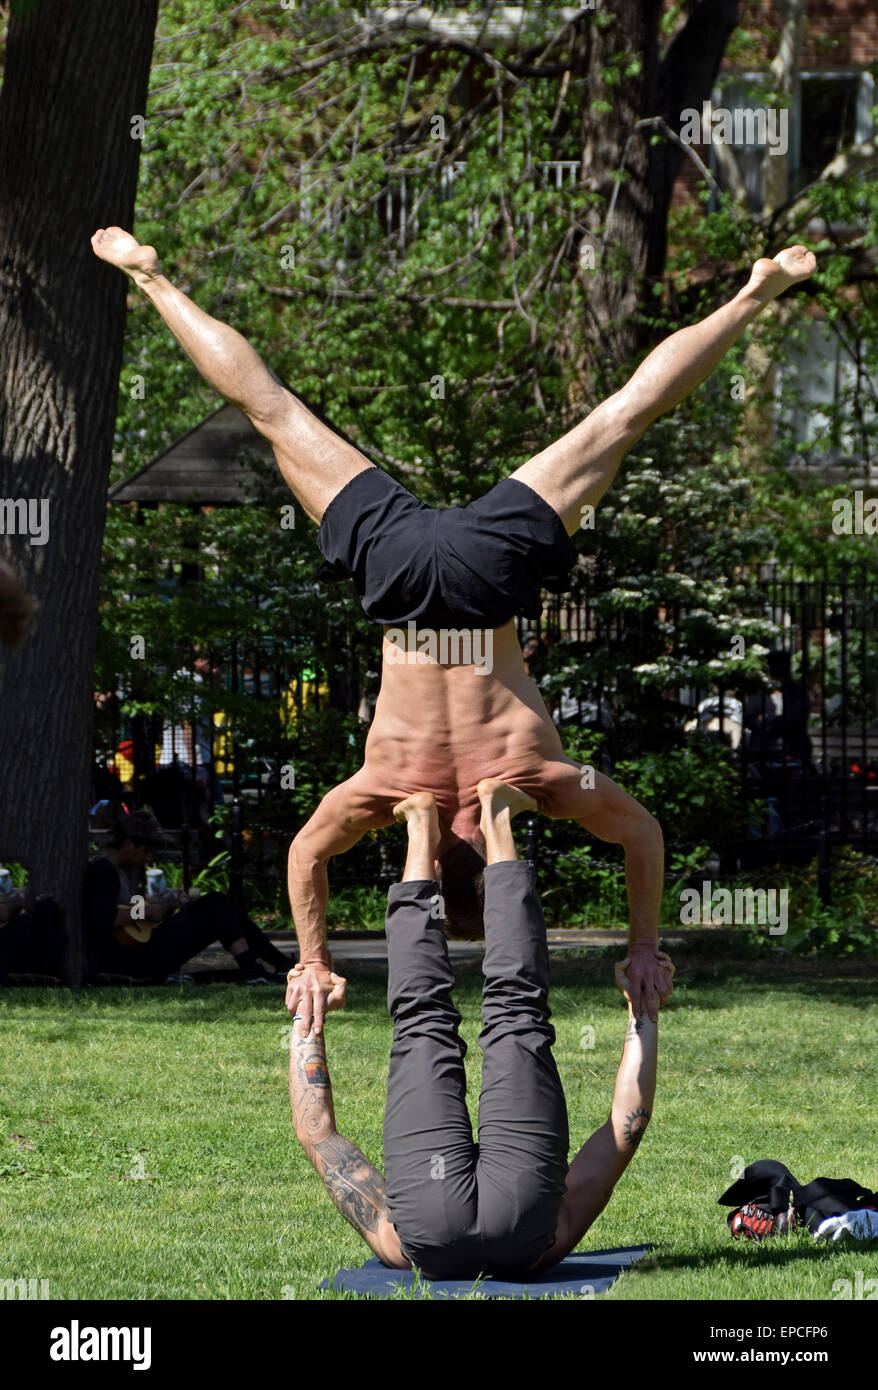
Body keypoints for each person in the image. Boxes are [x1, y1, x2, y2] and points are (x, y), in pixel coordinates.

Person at [90, 227, 816, 1027]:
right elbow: (306, 853)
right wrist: (312, 962)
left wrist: (645, 946)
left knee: (624, 416)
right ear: (436, 867)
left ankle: (752, 295)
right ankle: (150, 280)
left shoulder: (542, 784)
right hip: (399, 575)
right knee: (268, 407)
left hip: (484, 576)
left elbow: (641, 834)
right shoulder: (386, 794)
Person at [287, 783, 673, 1277]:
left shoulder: (547, 1243)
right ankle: (422, 828)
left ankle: (497, 819)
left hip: (521, 1229)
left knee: (518, 1014)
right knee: (421, 1023)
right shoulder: (395, 1246)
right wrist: (306, 1021)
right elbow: (317, 1135)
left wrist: (644, 1013)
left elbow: (627, 1126)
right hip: (430, 1233)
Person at [83, 809, 289, 984]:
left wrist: (165, 906)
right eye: (146, 851)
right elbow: (104, 917)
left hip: (138, 952)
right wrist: (148, 911)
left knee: (221, 907)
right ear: (128, 844)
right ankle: (257, 967)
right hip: (130, 961)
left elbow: (129, 916)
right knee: (215, 903)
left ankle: (272, 964)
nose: (148, 858)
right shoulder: (103, 870)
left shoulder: (121, 872)